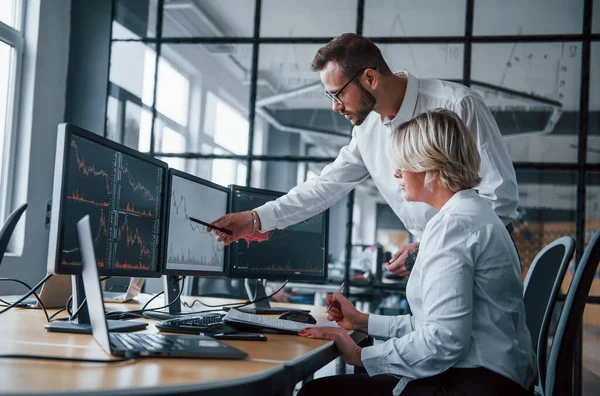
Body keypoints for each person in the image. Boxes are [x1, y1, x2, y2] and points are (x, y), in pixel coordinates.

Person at [209, 33, 519, 276]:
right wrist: (256, 219)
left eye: (338, 93)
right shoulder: (368, 129)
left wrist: (429, 246)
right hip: (429, 259)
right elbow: (326, 185)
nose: (335, 106)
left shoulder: (458, 104)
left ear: (370, 78)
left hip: (480, 252)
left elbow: (500, 199)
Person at [297, 109, 535, 396]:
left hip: (473, 384)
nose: (395, 173)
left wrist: (360, 356)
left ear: (430, 166)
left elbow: (443, 339)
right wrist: (362, 321)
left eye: (402, 164)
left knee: (318, 392)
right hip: (491, 376)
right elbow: (433, 324)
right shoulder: (474, 213)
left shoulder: (452, 225)